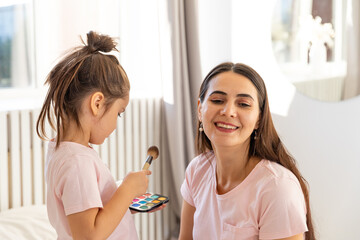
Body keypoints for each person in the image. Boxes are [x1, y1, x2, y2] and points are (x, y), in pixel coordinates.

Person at [179, 62, 315, 240]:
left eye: (243, 104)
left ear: (259, 119)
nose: (228, 111)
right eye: (217, 100)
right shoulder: (197, 170)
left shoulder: (277, 187)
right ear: (199, 109)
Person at [36, 31, 152, 239]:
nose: (116, 123)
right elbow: (89, 235)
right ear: (97, 103)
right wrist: (126, 190)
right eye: (119, 113)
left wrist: (125, 199)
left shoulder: (61, 149)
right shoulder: (77, 162)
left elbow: (84, 210)